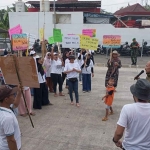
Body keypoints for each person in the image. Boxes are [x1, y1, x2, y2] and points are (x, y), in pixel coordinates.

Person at [113, 79, 150, 150]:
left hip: (129, 147)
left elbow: (119, 133)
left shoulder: (127, 108)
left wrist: (115, 140)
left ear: (134, 94)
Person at [0, 85, 22, 150]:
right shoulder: (7, 118)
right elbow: (11, 140)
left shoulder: (5, 107)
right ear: (6, 99)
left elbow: (15, 104)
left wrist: (19, 92)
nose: (14, 96)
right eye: (12, 94)